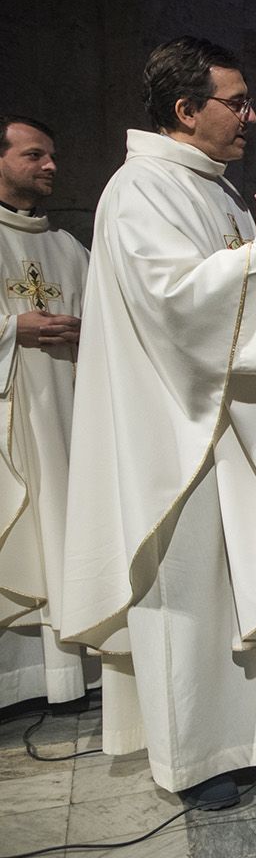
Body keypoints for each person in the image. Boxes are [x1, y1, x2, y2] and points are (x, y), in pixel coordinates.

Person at [57, 37, 256, 809]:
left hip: (236, 426)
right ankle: (196, 755)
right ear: (185, 109)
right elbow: (171, 305)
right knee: (193, 593)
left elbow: (244, 292)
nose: (251, 116)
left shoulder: (218, 192)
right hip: (179, 432)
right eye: (237, 102)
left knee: (251, 579)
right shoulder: (140, 191)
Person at [0, 115, 94, 709]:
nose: (51, 166)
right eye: (35, 155)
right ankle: (16, 682)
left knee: (64, 528)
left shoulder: (66, 247)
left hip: (67, 413)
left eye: (52, 155)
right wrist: (14, 328)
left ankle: (71, 676)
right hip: (12, 418)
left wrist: (86, 332)